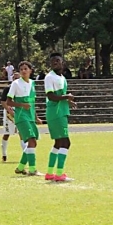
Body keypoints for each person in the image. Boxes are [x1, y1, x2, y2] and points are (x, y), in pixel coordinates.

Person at [44, 53, 77, 181]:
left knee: (58, 142)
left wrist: (68, 102)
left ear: (62, 62)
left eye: (58, 61)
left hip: (61, 111)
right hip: (56, 113)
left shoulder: (62, 77)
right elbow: (51, 96)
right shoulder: (49, 77)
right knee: (66, 142)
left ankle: (50, 173)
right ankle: (59, 174)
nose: (55, 63)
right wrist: (67, 97)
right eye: (53, 62)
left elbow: (60, 94)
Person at [6, 61, 43, 176]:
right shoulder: (16, 84)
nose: (23, 71)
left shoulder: (32, 83)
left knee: (34, 143)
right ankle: (32, 170)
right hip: (21, 116)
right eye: (21, 69)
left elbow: (32, 102)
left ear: (30, 70)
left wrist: (36, 117)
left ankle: (20, 167)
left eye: (25, 68)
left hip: (30, 116)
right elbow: (9, 101)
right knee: (31, 141)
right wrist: (22, 105)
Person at [0, 72, 26, 162]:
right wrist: (9, 110)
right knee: (7, 133)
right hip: (9, 112)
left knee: (21, 132)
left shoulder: (22, 88)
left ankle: (25, 154)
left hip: (19, 111)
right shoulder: (8, 88)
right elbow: (3, 102)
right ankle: (4, 154)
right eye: (15, 78)